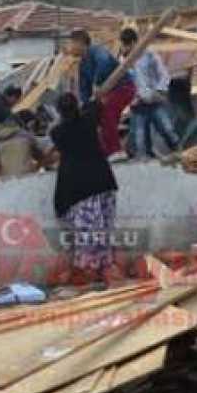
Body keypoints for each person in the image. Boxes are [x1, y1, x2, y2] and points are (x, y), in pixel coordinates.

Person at [51, 93, 120, 283]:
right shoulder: (88, 121)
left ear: (59, 111)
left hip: (79, 186)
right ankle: (104, 265)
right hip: (102, 180)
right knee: (104, 227)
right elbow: (96, 103)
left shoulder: (57, 132)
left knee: (87, 232)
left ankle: (88, 269)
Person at [70, 28, 136, 157]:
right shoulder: (83, 64)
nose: (70, 48)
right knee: (98, 117)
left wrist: (97, 82)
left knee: (107, 113)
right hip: (109, 93)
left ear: (80, 42)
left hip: (123, 87)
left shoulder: (96, 51)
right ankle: (106, 149)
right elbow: (84, 89)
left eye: (71, 43)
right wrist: (86, 106)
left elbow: (104, 63)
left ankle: (116, 151)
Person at [120, 27, 180, 159]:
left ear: (135, 42)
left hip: (154, 101)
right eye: (125, 45)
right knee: (140, 141)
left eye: (129, 44)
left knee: (167, 130)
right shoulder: (123, 61)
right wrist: (130, 100)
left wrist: (159, 91)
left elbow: (164, 75)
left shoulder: (149, 55)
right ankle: (147, 161)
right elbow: (124, 85)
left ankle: (179, 153)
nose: (127, 48)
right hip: (138, 105)